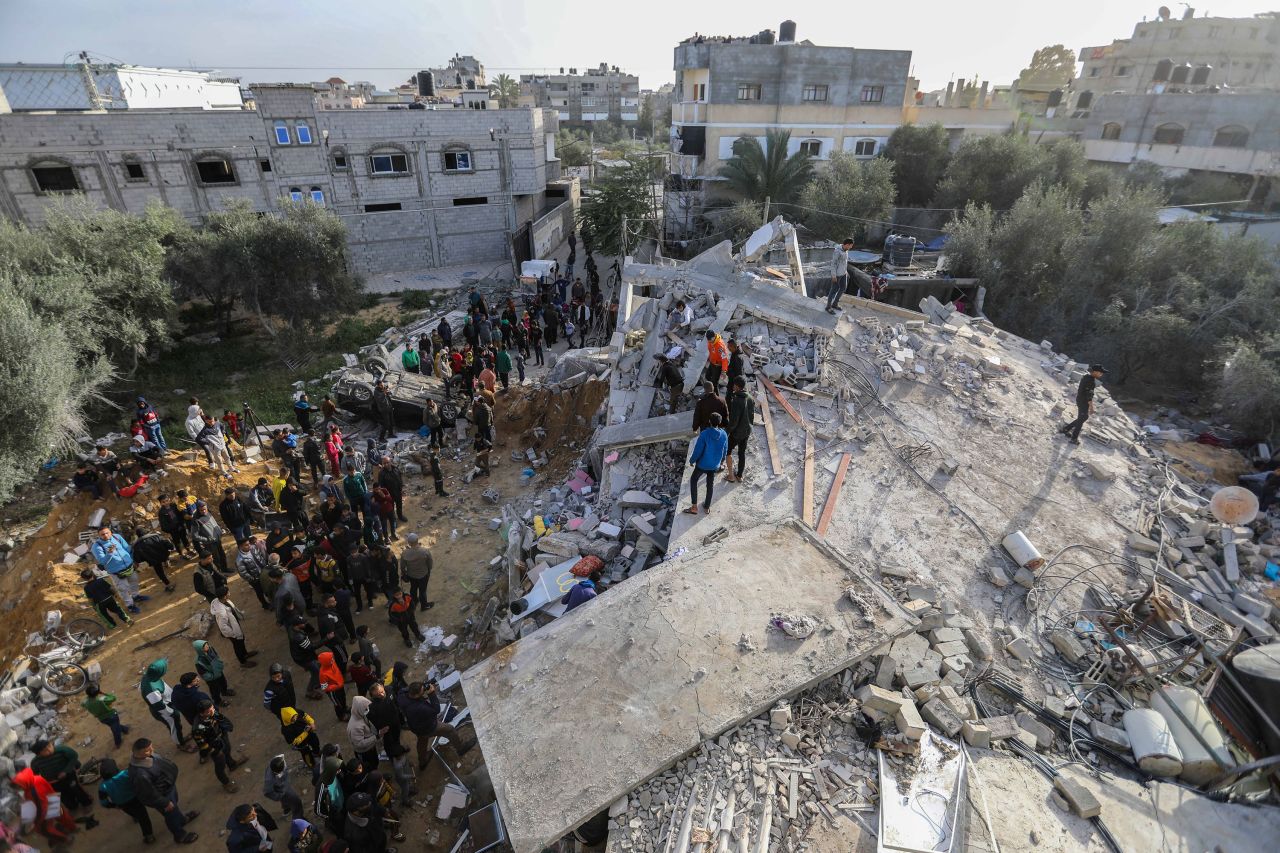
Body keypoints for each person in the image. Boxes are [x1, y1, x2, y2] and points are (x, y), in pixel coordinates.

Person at [127, 738, 199, 844]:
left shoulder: (147, 756)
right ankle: (180, 836)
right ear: (137, 753)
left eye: (151, 748)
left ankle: (182, 820)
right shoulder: (140, 774)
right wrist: (165, 803)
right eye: (148, 750)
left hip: (168, 788)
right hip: (163, 796)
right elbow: (149, 793)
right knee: (170, 816)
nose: (152, 751)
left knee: (174, 809)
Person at [398, 680, 473, 772]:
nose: (424, 691)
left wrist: (422, 685)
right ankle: (460, 748)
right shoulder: (419, 707)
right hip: (428, 727)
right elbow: (436, 709)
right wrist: (432, 693)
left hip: (415, 726)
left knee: (422, 741)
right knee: (450, 729)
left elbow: (402, 690)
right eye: (422, 691)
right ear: (417, 695)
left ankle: (422, 762)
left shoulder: (402, 697)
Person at [97, 756, 155, 843]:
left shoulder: (103, 787)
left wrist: (113, 805)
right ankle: (149, 836)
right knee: (144, 817)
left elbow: (104, 802)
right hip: (135, 798)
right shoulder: (125, 774)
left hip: (122, 804)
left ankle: (135, 817)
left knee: (132, 812)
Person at [92, 525, 146, 613]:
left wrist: (133, 560)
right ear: (99, 536)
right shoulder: (97, 546)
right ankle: (130, 606)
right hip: (116, 571)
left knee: (134, 581)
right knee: (123, 589)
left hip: (129, 566)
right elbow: (102, 561)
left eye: (107, 533)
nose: (105, 535)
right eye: (102, 534)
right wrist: (109, 553)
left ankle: (136, 596)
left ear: (111, 532)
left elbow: (127, 549)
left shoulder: (117, 537)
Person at [31, 738, 94, 813]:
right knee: (64, 796)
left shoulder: (61, 750)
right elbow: (35, 773)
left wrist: (65, 771)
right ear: (39, 754)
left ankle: (86, 803)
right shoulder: (36, 762)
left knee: (76, 789)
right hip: (53, 782)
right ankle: (73, 806)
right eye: (45, 750)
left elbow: (74, 756)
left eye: (49, 746)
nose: (49, 750)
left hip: (68, 776)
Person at [191, 700, 241, 793]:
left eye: (213, 708)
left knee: (227, 750)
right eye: (209, 711)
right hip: (214, 747)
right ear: (202, 713)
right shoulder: (197, 728)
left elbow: (224, 721)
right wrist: (215, 752)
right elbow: (202, 745)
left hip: (222, 738)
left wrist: (225, 730)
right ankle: (226, 783)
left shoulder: (213, 713)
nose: (213, 711)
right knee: (220, 767)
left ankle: (232, 764)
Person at [685, 412, 728, 516]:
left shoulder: (704, 434)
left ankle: (694, 507)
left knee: (694, 480)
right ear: (720, 422)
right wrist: (722, 461)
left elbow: (698, 450)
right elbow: (725, 450)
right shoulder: (724, 434)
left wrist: (692, 461)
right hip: (714, 465)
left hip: (702, 465)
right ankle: (707, 507)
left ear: (709, 421)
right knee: (710, 484)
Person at [1059, 364, 1106, 445]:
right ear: (1095, 372)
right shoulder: (1091, 381)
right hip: (1083, 401)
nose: (1101, 374)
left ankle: (1066, 429)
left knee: (1083, 417)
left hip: (1080, 399)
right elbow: (1089, 396)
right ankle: (1074, 438)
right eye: (1100, 373)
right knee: (1082, 419)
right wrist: (1091, 407)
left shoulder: (1086, 376)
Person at [211, 594, 259, 666]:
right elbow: (223, 626)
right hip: (232, 632)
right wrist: (233, 634)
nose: (229, 593)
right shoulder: (221, 612)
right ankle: (243, 662)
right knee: (237, 645)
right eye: (228, 592)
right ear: (224, 596)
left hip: (235, 626)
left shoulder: (224, 601)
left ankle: (245, 654)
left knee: (241, 640)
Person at [724, 375, 756, 483]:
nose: (732, 386)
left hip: (737, 433)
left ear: (737, 387)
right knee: (741, 453)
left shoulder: (737, 400)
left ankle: (731, 476)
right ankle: (739, 475)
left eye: (734, 385)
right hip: (747, 431)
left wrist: (726, 432)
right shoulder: (750, 398)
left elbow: (734, 421)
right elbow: (752, 415)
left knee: (727, 451)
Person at [279, 707, 322, 782]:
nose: (295, 719)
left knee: (315, 741)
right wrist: (305, 733)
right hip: (301, 744)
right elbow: (294, 742)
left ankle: (316, 752)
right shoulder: (285, 730)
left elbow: (306, 716)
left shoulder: (297, 712)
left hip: (309, 733)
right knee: (306, 754)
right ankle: (311, 765)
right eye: (293, 719)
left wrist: (312, 723)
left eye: (295, 716)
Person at [83, 682, 130, 747]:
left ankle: (125, 729)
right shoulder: (101, 701)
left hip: (102, 719)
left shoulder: (86, 702)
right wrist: (103, 693)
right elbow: (113, 698)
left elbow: (83, 704)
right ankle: (118, 743)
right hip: (111, 716)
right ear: (97, 693)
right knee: (115, 730)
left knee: (114, 725)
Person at [132, 525, 176, 592]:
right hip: (163, 555)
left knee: (159, 572)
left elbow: (138, 559)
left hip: (153, 561)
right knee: (164, 557)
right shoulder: (156, 536)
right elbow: (167, 544)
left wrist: (146, 559)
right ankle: (166, 561)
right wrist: (170, 548)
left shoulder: (137, 545)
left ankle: (168, 585)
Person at [190, 501, 231, 574]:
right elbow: (194, 536)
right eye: (201, 510)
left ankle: (225, 569)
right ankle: (219, 573)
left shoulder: (208, 513)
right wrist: (207, 539)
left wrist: (220, 530)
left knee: (222, 555)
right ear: (198, 509)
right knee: (215, 559)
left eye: (205, 509)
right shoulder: (196, 520)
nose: (204, 511)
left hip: (217, 539)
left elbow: (214, 523)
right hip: (210, 543)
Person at [264, 754, 306, 823]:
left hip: (283, 786)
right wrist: (279, 796)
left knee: (285, 800)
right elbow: (267, 792)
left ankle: (287, 809)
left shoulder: (279, 760)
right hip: (282, 790)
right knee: (297, 802)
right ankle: (299, 820)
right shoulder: (269, 780)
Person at [288, 619, 323, 699]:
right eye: (303, 623)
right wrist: (326, 639)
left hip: (300, 656)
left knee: (315, 668)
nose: (305, 623)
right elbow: (311, 647)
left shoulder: (292, 629)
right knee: (316, 672)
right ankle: (310, 690)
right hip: (305, 658)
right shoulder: (299, 637)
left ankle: (316, 682)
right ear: (297, 625)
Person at [236, 537, 274, 609]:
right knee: (259, 592)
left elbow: (261, 557)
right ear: (241, 547)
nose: (249, 546)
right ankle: (265, 605)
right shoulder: (239, 560)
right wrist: (253, 579)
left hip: (263, 573)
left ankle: (271, 600)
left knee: (267, 587)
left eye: (249, 544)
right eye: (246, 545)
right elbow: (243, 573)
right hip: (255, 579)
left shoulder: (253, 548)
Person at [399, 533, 433, 611]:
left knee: (413, 589)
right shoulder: (425, 551)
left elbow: (402, 567)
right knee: (422, 591)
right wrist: (428, 570)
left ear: (409, 543)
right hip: (423, 574)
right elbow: (430, 563)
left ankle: (414, 602)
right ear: (417, 540)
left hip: (411, 575)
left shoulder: (405, 553)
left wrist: (404, 573)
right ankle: (424, 605)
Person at [346, 695, 380, 771]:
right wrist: (377, 736)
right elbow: (359, 744)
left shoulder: (360, 714)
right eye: (365, 709)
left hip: (370, 747)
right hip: (364, 752)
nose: (367, 710)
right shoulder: (355, 727)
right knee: (368, 768)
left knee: (375, 763)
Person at [317, 650, 349, 721]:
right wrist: (337, 686)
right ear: (326, 662)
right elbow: (324, 688)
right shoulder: (322, 674)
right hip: (333, 692)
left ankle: (344, 708)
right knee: (337, 704)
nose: (333, 659)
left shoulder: (332, 663)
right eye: (331, 659)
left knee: (343, 698)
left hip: (340, 686)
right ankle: (341, 716)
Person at [377, 457, 408, 523]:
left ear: (390, 462)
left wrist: (401, 488)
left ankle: (400, 516)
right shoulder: (381, 473)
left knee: (399, 504)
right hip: (389, 494)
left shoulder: (395, 468)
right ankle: (393, 520)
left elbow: (400, 478)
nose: (386, 464)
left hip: (398, 491)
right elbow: (381, 486)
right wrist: (385, 495)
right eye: (384, 463)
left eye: (387, 463)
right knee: (391, 508)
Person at [827, 238, 853, 313]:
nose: (851, 247)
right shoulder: (837, 251)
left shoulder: (846, 250)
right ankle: (828, 307)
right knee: (833, 290)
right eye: (850, 246)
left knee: (843, 288)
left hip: (843, 274)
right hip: (837, 275)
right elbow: (833, 264)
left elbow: (844, 262)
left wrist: (846, 271)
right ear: (847, 245)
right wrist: (833, 275)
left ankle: (835, 304)